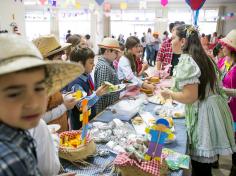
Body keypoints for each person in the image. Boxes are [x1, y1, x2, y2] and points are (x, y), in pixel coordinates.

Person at [0, 34, 83, 175]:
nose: (32, 104)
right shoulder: (9, 160)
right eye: (14, 94)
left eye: (39, 88)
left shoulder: (20, 133)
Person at [160, 25, 236, 176]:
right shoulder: (202, 56)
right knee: (203, 166)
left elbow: (190, 97)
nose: (170, 41)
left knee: (201, 166)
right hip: (212, 109)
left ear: (183, 41)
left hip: (204, 114)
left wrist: (169, 93)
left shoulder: (188, 60)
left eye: (173, 38)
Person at [33, 35, 79, 132]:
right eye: (58, 58)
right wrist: (64, 107)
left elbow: (51, 101)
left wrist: (63, 97)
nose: (62, 61)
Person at [65, 47, 109, 130]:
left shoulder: (87, 76)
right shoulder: (76, 83)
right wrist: (97, 94)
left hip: (89, 118)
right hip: (80, 124)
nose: (94, 65)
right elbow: (81, 105)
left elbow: (90, 92)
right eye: (91, 63)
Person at [219, 29, 236, 176]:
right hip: (223, 108)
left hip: (235, 111)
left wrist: (225, 90)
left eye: (225, 45)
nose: (222, 47)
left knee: (234, 142)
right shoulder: (223, 61)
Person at [94, 37, 121, 113]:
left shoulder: (108, 64)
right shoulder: (104, 67)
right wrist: (120, 88)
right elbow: (103, 91)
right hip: (104, 108)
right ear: (107, 51)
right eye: (115, 52)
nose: (117, 55)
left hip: (109, 106)